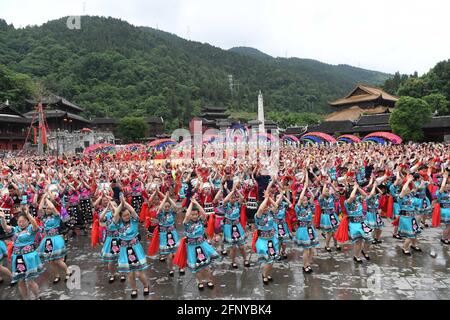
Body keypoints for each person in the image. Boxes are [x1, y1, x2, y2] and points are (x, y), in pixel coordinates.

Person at [0, 207, 44, 300]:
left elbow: (35, 225)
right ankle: (25, 298)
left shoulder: (31, 229)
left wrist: (28, 214)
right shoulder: (15, 229)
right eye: (19, 221)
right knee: (20, 281)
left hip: (29, 257)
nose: (21, 223)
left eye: (23, 221)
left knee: (30, 281)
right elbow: (6, 228)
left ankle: (38, 297)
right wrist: (3, 218)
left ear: (28, 221)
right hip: (18, 258)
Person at [113, 194, 149, 298]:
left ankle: (146, 285)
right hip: (124, 250)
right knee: (129, 273)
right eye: (124, 215)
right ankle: (134, 289)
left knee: (138, 272)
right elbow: (115, 214)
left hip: (135, 248)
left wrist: (125, 203)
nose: (127, 217)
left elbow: (133, 211)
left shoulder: (134, 221)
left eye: (127, 215)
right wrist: (121, 204)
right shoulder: (118, 223)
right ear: (121, 216)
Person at [182, 198, 219, 290]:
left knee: (206, 266)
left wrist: (196, 203)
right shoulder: (186, 224)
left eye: (196, 214)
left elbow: (204, 214)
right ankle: (200, 281)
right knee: (197, 267)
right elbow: (186, 216)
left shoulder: (200, 221)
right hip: (192, 247)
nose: (194, 216)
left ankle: (209, 280)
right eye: (192, 214)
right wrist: (191, 204)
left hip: (202, 245)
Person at [37, 195, 70, 283]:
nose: (47, 209)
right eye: (46, 208)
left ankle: (67, 272)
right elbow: (40, 209)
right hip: (47, 240)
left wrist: (47, 199)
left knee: (58, 260)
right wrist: (43, 198)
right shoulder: (44, 218)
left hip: (55, 239)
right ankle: (57, 275)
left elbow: (52, 206)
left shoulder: (57, 216)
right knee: (51, 261)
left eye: (48, 208)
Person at [152, 191, 184, 276]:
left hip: (173, 234)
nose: (166, 208)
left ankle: (181, 267)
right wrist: (165, 199)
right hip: (164, 235)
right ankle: (171, 269)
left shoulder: (171, 213)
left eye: (168, 207)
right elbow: (160, 208)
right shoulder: (160, 214)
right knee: (169, 255)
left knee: (176, 252)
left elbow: (175, 206)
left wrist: (168, 198)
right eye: (165, 206)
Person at [254, 181, 279, 285]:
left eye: (266, 207)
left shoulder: (270, 213)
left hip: (272, 239)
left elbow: (276, 206)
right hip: (263, 240)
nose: (265, 208)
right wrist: (265, 199)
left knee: (272, 260)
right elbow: (260, 209)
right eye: (264, 207)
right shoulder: (258, 216)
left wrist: (269, 198)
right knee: (268, 259)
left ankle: (267, 274)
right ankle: (264, 275)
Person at [294, 169, 319, 273]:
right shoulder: (298, 208)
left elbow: (312, 197)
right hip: (303, 229)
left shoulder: (309, 206)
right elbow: (300, 199)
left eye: (305, 200)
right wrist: (304, 188)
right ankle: (305, 266)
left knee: (311, 250)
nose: (305, 201)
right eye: (303, 200)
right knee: (306, 249)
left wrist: (308, 189)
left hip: (310, 229)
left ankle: (307, 263)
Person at [222, 186, 249, 269]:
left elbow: (242, 198)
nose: (233, 199)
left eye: (234, 198)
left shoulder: (237, 204)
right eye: (232, 198)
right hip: (229, 227)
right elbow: (225, 200)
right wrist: (231, 192)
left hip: (237, 226)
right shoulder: (226, 206)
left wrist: (236, 190)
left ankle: (245, 259)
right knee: (233, 247)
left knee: (241, 246)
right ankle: (233, 261)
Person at [398, 175, 422, 255]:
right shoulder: (401, 197)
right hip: (405, 218)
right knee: (410, 234)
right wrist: (408, 181)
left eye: (409, 187)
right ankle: (404, 248)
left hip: (412, 217)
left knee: (414, 232)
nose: (408, 188)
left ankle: (414, 245)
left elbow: (415, 188)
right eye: (407, 187)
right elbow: (404, 189)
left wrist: (411, 181)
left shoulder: (410, 195)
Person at [436, 171, 450, 244]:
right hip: (445, 211)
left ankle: (448, 238)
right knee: (448, 226)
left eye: (448, 187)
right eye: (446, 187)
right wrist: (444, 178)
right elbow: (442, 187)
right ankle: (444, 238)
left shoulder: (448, 193)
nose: (447, 188)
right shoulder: (439, 193)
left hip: (448, 210)